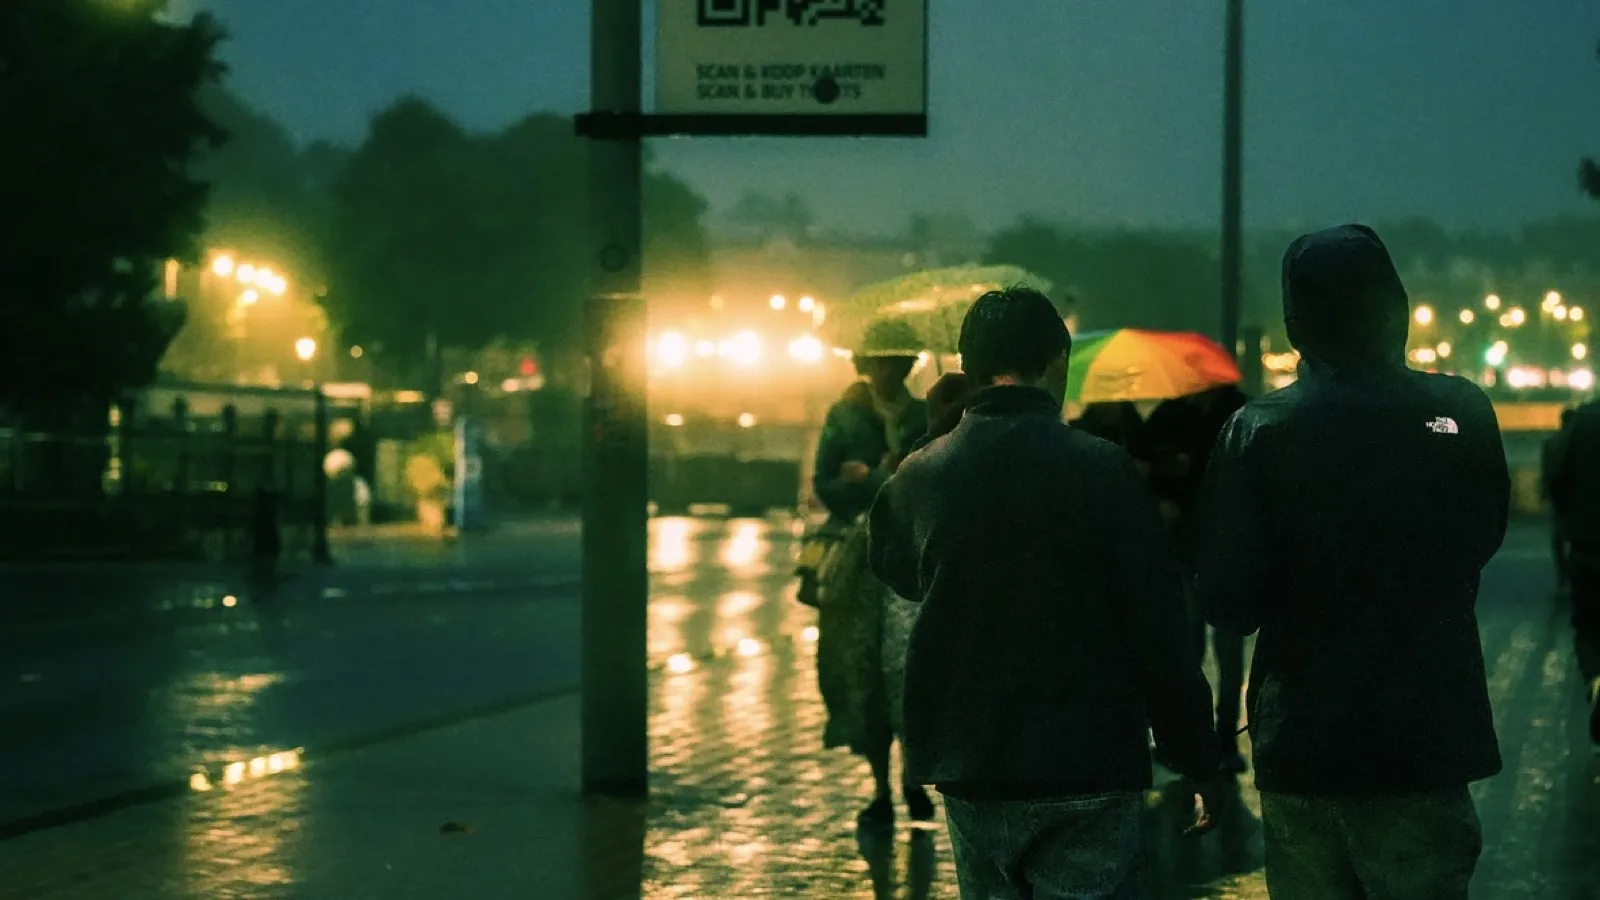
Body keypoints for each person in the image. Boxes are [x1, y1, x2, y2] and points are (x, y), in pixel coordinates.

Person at [869, 287, 1222, 899]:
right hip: (1087, 758)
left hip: (972, 763)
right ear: (1057, 362)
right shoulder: (1103, 470)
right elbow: (1159, 631)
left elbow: (899, 571)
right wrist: (1196, 756)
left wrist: (930, 437)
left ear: (967, 368)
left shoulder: (922, 473)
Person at [1194, 224, 1509, 899]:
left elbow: (1229, 598)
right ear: (1393, 307)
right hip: (1423, 736)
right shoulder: (1458, 413)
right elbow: (1480, 535)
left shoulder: (1259, 432)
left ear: (1296, 322)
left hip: (1305, 738)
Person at [806, 318, 932, 825]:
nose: (886, 371)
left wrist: (887, 472)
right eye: (878, 361)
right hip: (856, 564)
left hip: (910, 556)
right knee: (861, 673)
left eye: (896, 361)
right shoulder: (844, 415)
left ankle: (911, 780)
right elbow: (824, 483)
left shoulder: (927, 415)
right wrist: (868, 480)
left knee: (907, 668)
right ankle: (880, 786)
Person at [1137, 385, 1252, 775]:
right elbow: (1144, 465)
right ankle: (1196, 739)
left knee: (1222, 650)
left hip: (1220, 549)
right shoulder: (1178, 415)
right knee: (1192, 649)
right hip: (1190, 547)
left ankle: (1219, 738)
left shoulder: (1233, 411)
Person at [1547, 399, 1600, 743]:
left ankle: (1596, 679)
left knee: (1590, 628)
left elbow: (1558, 478)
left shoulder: (1583, 421)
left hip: (1590, 549)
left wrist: (1570, 521)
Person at [1542, 408, 1576, 589]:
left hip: (1558, 497)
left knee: (1558, 539)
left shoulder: (1551, 443)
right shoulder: (1581, 443)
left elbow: (1547, 471)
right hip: (1576, 498)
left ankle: (1563, 572)